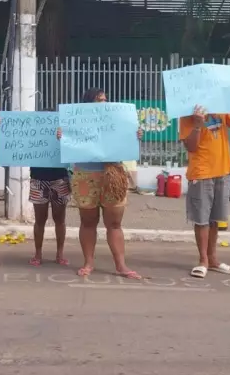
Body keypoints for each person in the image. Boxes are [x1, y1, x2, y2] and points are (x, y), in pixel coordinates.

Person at [57, 88, 144, 279]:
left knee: (114, 223)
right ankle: (88, 263)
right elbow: (68, 143)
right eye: (98, 100)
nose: (103, 104)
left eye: (105, 100)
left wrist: (135, 135)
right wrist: (63, 137)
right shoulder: (77, 121)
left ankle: (121, 265)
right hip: (85, 175)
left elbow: (127, 142)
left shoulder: (117, 120)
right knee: (88, 222)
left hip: (113, 174)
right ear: (88, 104)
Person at [179, 86, 230, 278]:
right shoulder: (187, 115)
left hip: (222, 170)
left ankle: (213, 259)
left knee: (216, 219)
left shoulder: (223, 109)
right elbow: (191, 147)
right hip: (201, 172)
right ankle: (202, 260)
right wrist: (197, 124)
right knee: (201, 220)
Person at [28, 166, 70, 267]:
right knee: (40, 219)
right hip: (38, 178)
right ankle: (38, 254)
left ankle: (59, 254)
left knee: (59, 218)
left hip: (60, 178)